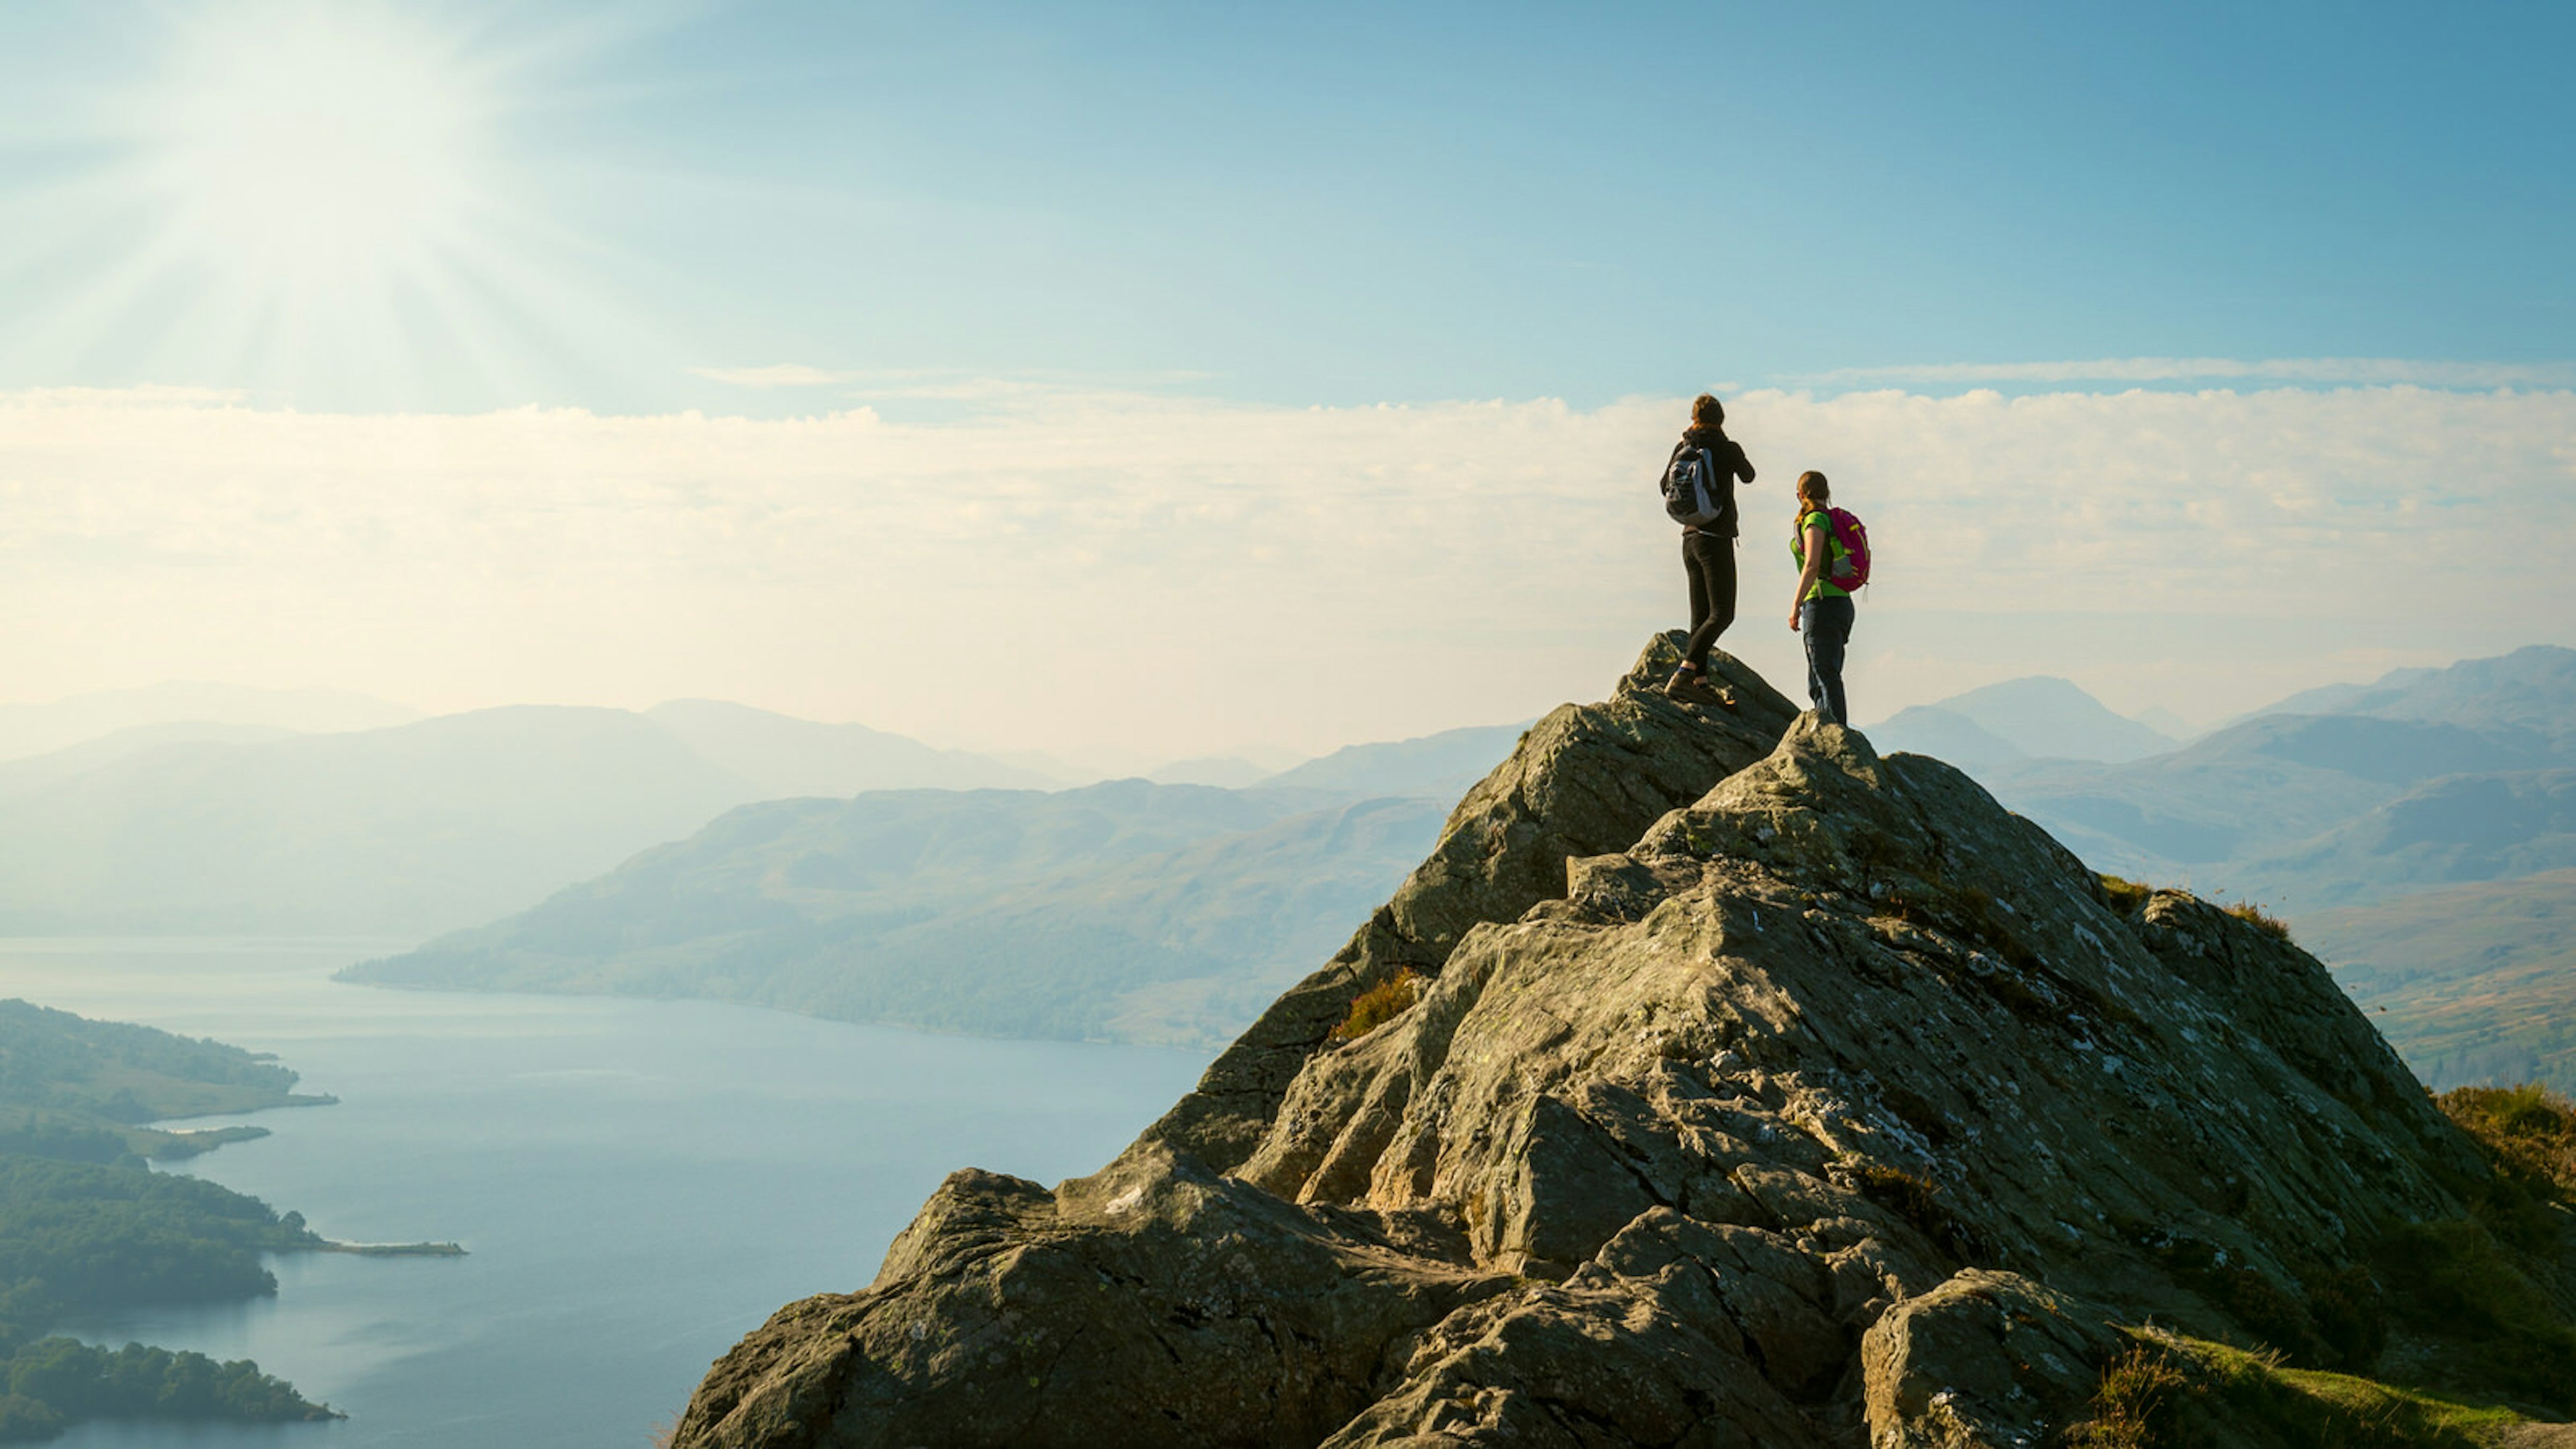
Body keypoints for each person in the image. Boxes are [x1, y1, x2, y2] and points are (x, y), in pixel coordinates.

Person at [1660, 393, 1756, 705]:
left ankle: (1700, 684)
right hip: (1716, 538)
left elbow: (1664, 485)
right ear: (1721, 419)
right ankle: (1685, 674)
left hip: (1689, 539)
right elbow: (1749, 475)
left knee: (1700, 616)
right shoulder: (1725, 447)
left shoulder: (1682, 447)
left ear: (1693, 417)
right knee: (1723, 614)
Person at [1788, 470, 1856, 725]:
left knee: (1824, 675)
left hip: (1822, 604)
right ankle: (1829, 730)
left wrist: (1796, 605)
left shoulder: (1815, 520)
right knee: (1823, 675)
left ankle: (1837, 734)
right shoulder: (1833, 520)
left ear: (1801, 495)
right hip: (1841, 604)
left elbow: (1812, 565)